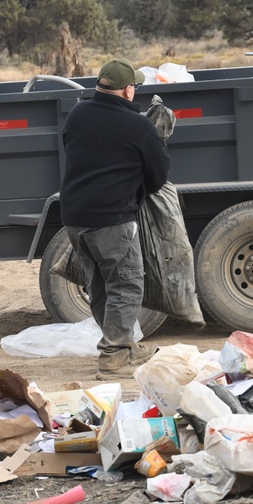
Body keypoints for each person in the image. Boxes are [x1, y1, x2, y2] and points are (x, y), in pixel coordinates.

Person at [59, 59, 171, 380]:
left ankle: (124, 345)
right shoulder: (139, 126)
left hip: (75, 218)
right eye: (134, 85)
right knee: (126, 286)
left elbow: (82, 149)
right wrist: (153, 136)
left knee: (101, 288)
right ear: (127, 89)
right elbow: (158, 177)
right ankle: (113, 359)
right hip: (111, 220)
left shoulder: (78, 114)